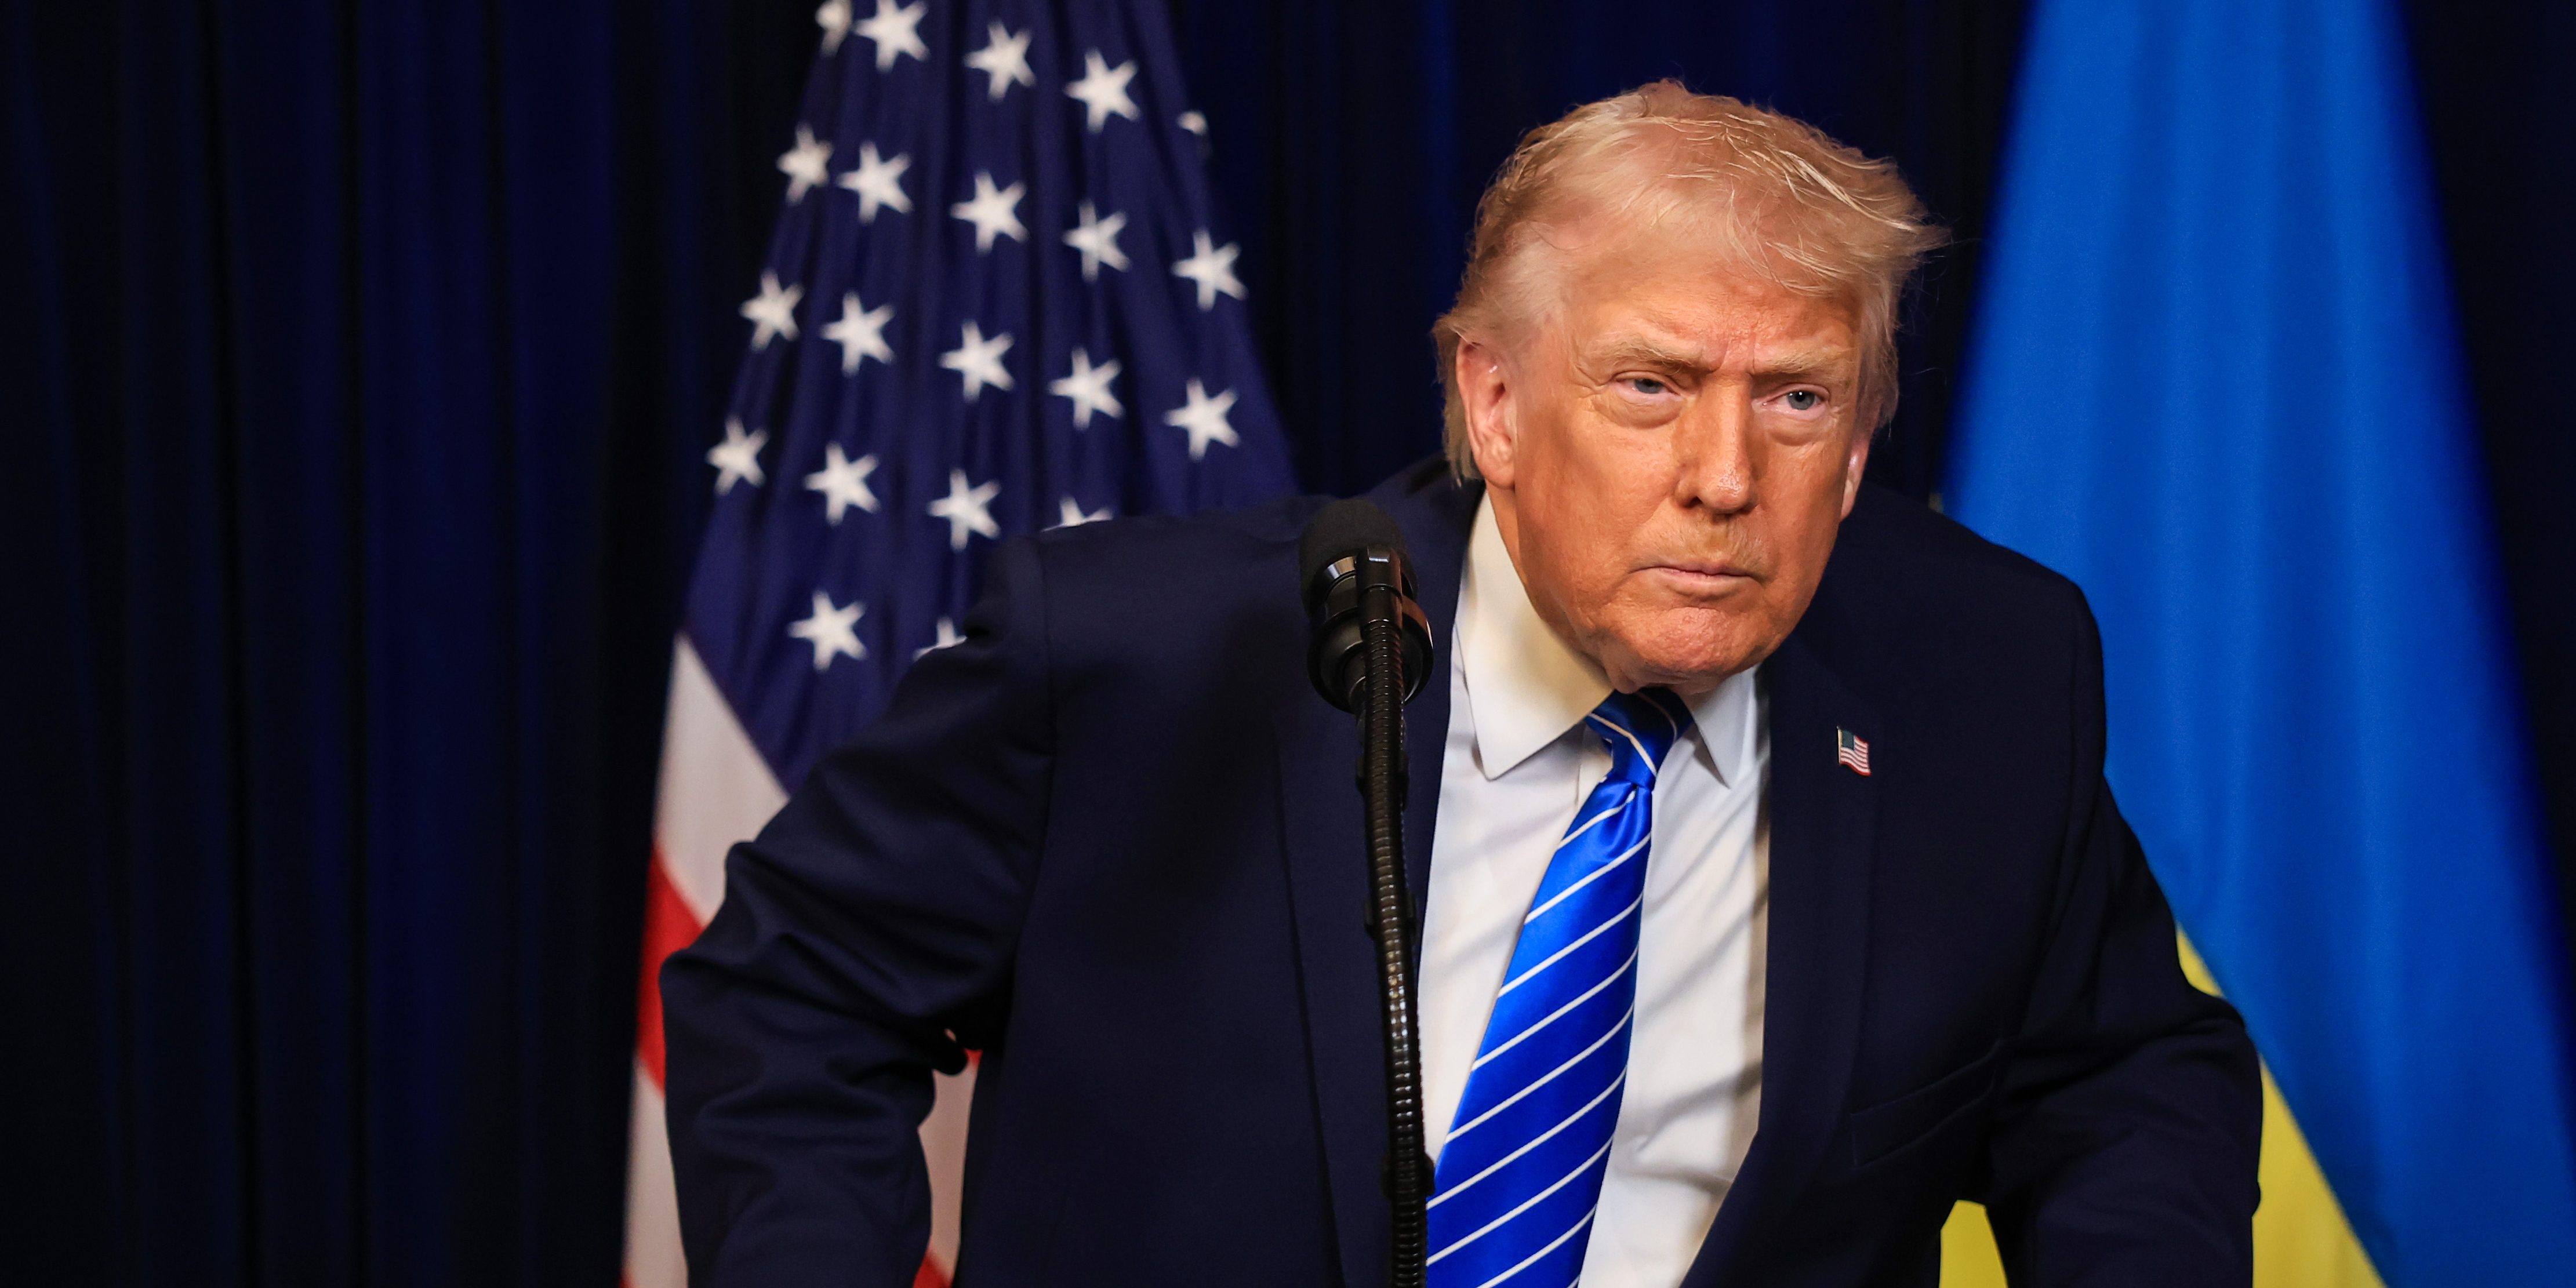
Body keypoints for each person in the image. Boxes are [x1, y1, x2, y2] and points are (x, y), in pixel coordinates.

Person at [662, 82, 2260, 1287]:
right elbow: (795, 986)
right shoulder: (1141, 656)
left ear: (1856, 447)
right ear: (1493, 404)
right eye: (1652, 385)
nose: (1725, 476)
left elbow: (2118, 1075)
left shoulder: (1984, 674)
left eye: (1796, 399)